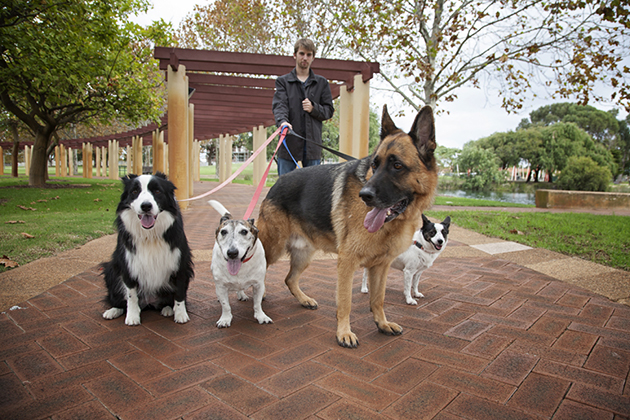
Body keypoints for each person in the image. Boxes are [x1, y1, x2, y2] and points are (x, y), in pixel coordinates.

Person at [272, 39, 334, 175]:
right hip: (289, 143)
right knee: (284, 190)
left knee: (312, 191)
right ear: (295, 55)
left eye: (308, 54)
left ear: (313, 57)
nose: (304, 58)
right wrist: (283, 122)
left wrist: (314, 108)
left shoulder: (322, 83)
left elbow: (329, 111)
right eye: (301, 53)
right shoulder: (283, 82)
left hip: (313, 146)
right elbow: (279, 105)